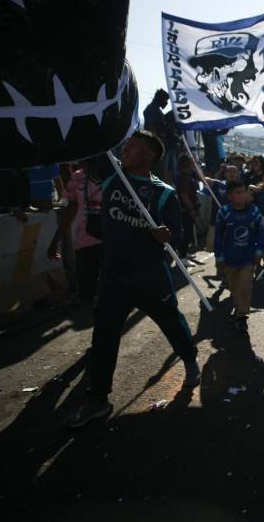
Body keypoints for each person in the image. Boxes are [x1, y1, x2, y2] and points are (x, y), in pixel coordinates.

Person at [63, 130, 200, 428]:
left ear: (150, 154)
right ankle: (97, 400)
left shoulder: (164, 192)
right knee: (104, 336)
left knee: (171, 323)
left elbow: (179, 235)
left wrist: (168, 235)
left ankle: (190, 359)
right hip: (114, 275)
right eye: (126, 145)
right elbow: (91, 142)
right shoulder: (112, 176)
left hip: (151, 276)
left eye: (134, 146)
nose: (126, 149)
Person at [47, 156, 105, 304]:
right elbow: (71, 209)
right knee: (87, 294)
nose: (81, 162)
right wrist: (55, 241)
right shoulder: (78, 177)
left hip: (111, 242)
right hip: (85, 244)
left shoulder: (116, 176)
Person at [214, 178, 264, 329]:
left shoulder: (254, 211)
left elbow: (261, 233)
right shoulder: (223, 212)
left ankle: (242, 316)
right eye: (237, 193)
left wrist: (258, 251)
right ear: (229, 196)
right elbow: (218, 236)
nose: (242, 195)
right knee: (234, 287)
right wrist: (219, 257)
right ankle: (238, 309)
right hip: (229, 258)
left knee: (245, 287)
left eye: (243, 192)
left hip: (248, 258)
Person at [176, 154, 200, 266]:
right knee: (186, 233)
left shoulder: (190, 175)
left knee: (188, 233)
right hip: (185, 211)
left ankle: (184, 253)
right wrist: (191, 209)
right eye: (191, 161)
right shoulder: (182, 177)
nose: (193, 163)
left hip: (190, 209)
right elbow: (183, 195)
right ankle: (182, 257)